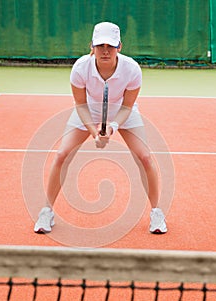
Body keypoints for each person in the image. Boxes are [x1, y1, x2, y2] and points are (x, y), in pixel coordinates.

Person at [34, 22, 167, 234]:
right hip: (89, 110)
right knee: (61, 154)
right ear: (92, 46)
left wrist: (112, 127)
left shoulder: (132, 69)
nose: (105, 50)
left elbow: (127, 106)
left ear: (119, 47)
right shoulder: (80, 68)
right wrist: (94, 131)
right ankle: (46, 211)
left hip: (122, 110)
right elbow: (80, 105)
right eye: (100, 45)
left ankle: (157, 212)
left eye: (110, 45)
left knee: (145, 157)